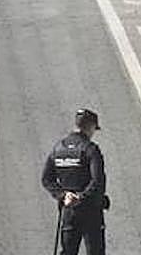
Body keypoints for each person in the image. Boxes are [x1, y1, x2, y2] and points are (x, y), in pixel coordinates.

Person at [42, 109, 108, 255]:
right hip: (91, 211)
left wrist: (63, 195)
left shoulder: (58, 149)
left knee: (68, 251)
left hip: (69, 211)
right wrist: (81, 198)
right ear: (90, 126)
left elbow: (47, 179)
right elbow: (98, 181)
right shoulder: (90, 149)